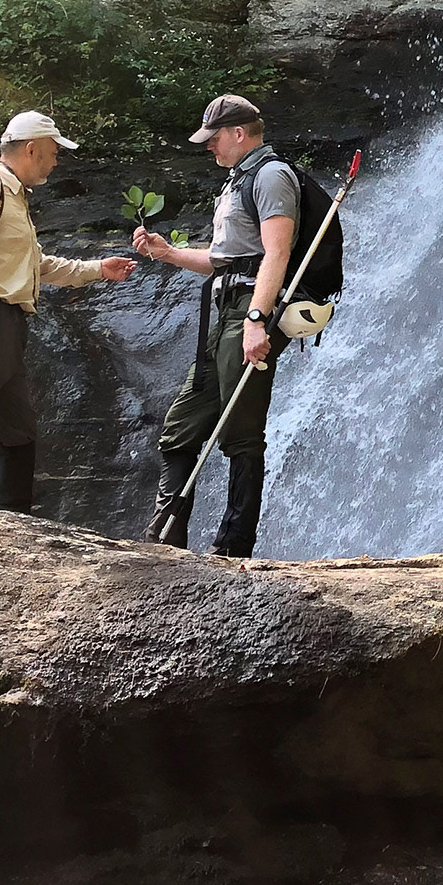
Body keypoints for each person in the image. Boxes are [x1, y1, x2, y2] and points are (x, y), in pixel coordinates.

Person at [131, 93, 336, 557]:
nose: (209, 147)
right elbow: (226, 260)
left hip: (249, 308)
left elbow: (277, 254)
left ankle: (233, 547)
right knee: (182, 424)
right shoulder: (239, 181)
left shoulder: (271, 176)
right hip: (227, 306)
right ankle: (166, 536)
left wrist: (257, 320)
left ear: (238, 134)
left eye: (214, 138)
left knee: (241, 431)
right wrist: (166, 253)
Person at [0, 110, 137, 511]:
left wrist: (97, 270)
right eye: (53, 153)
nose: (55, 161)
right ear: (31, 149)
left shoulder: (14, 196)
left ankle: (14, 522)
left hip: (9, 326)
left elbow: (36, 265)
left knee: (18, 430)